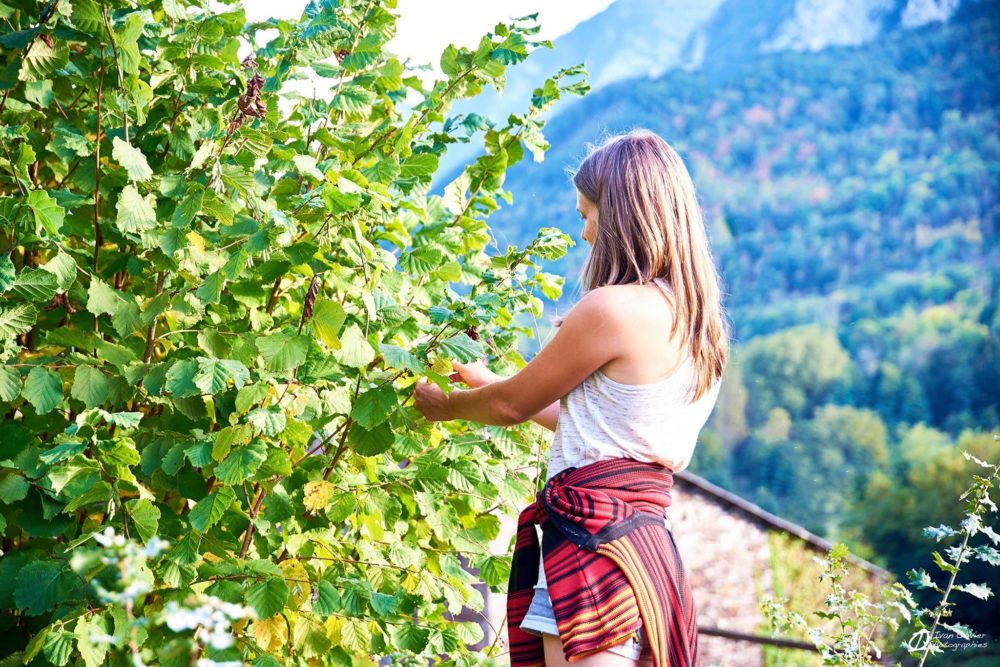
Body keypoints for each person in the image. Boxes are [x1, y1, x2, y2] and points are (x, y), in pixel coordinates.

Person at [413, 128, 730, 667]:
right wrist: (489, 380)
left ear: (624, 214)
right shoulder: (700, 327)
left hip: (592, 548)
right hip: (646, 554)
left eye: (587, 214)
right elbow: (593, 423)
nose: (583, 233)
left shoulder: (612, 309)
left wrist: (445, 407)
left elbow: (510, 407)